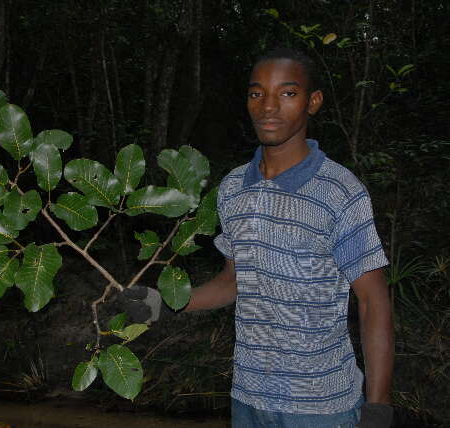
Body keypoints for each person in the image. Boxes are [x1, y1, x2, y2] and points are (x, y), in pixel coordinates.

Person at [123, 47, 394, 428]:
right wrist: (164, 302)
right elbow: (233, 281)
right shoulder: (233, 188)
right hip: (248, 400)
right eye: (256, 94)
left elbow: (373, 300)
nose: (268, 106)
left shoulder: (340, 191)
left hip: (320, 408)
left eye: (287, 93)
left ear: (312, 102)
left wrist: (378, 407)